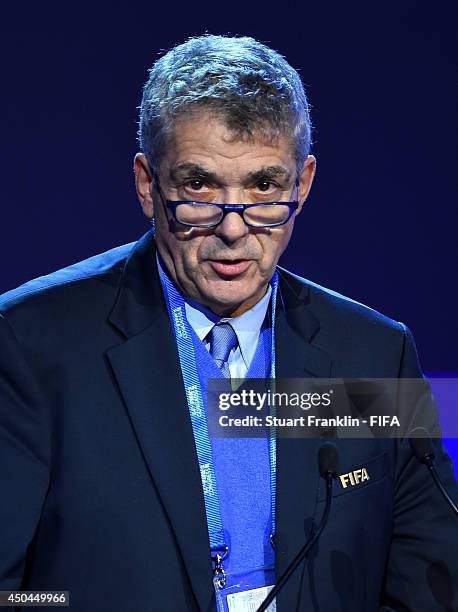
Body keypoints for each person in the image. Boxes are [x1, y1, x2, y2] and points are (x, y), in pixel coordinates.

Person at [0, 34, 456, 612]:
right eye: (199, 186)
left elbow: (430, 582)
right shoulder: (29, 344)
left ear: (303, 184)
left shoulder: (374, 352)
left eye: (264, 186)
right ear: (148, 184)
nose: (234, 228)